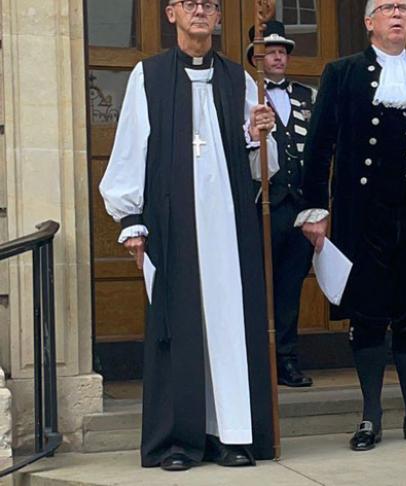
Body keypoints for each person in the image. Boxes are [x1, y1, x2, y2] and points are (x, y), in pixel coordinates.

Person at [99, 0, 278, 471]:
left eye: (210, 5)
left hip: (229, 224)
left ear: (219, 18)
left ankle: (233, 434)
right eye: (190, 3)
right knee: (179, 328)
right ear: (172, 13)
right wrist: (131, 220)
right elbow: (131, 146)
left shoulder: (239, 77)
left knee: (229, 324)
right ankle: (179, 441)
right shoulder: (149, 76)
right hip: (172, 223)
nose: (201, 12)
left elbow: (262, 168)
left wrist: (262, 133)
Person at [298, 0, 406, 451]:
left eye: (404, 8)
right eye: (387, 7)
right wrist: (314, 208)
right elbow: (319, 144)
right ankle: (370, 417)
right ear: (369, 21)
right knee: (369, 313)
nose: (397, 14)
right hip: (363, 212)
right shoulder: (343, 72)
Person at [245, 20, 315, 388]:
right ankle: (259, 361)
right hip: (262, 206)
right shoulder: (246, 96)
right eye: (269, 51)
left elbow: (319, 150)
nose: (277, 56)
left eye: (282, 51)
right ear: (254, 57)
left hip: (299, 205)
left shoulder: (306, 95)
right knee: (259, 285)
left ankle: (287, 360)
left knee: (290, 287)